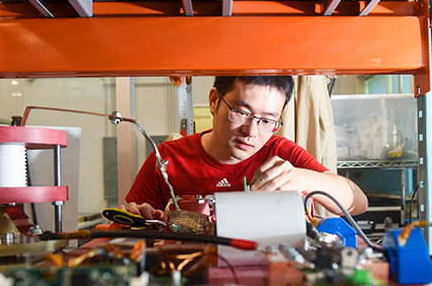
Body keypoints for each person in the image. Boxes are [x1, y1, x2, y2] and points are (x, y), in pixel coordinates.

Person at [122, 76, 368, 222]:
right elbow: (133, 222)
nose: (251, 132)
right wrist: (140, 218)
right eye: (241, 113)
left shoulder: (281, 154)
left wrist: (301, 177)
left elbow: (358, 202)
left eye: (267, 120)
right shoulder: (167, 158)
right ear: (214, 101)